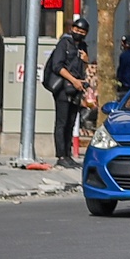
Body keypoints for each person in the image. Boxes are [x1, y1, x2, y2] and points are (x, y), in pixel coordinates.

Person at [44, 17, 91, 167]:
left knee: (71, 122)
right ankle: (61, 155)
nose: (78, 33)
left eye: (81, 32)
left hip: (76, 90)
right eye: (76, 30)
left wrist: (86, 60)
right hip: (63, 88)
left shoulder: (83, 46)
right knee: (62, 122)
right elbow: (58, 66)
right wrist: (73, 80)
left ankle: (68, 154)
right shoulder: (64, 43)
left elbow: (82, 69)